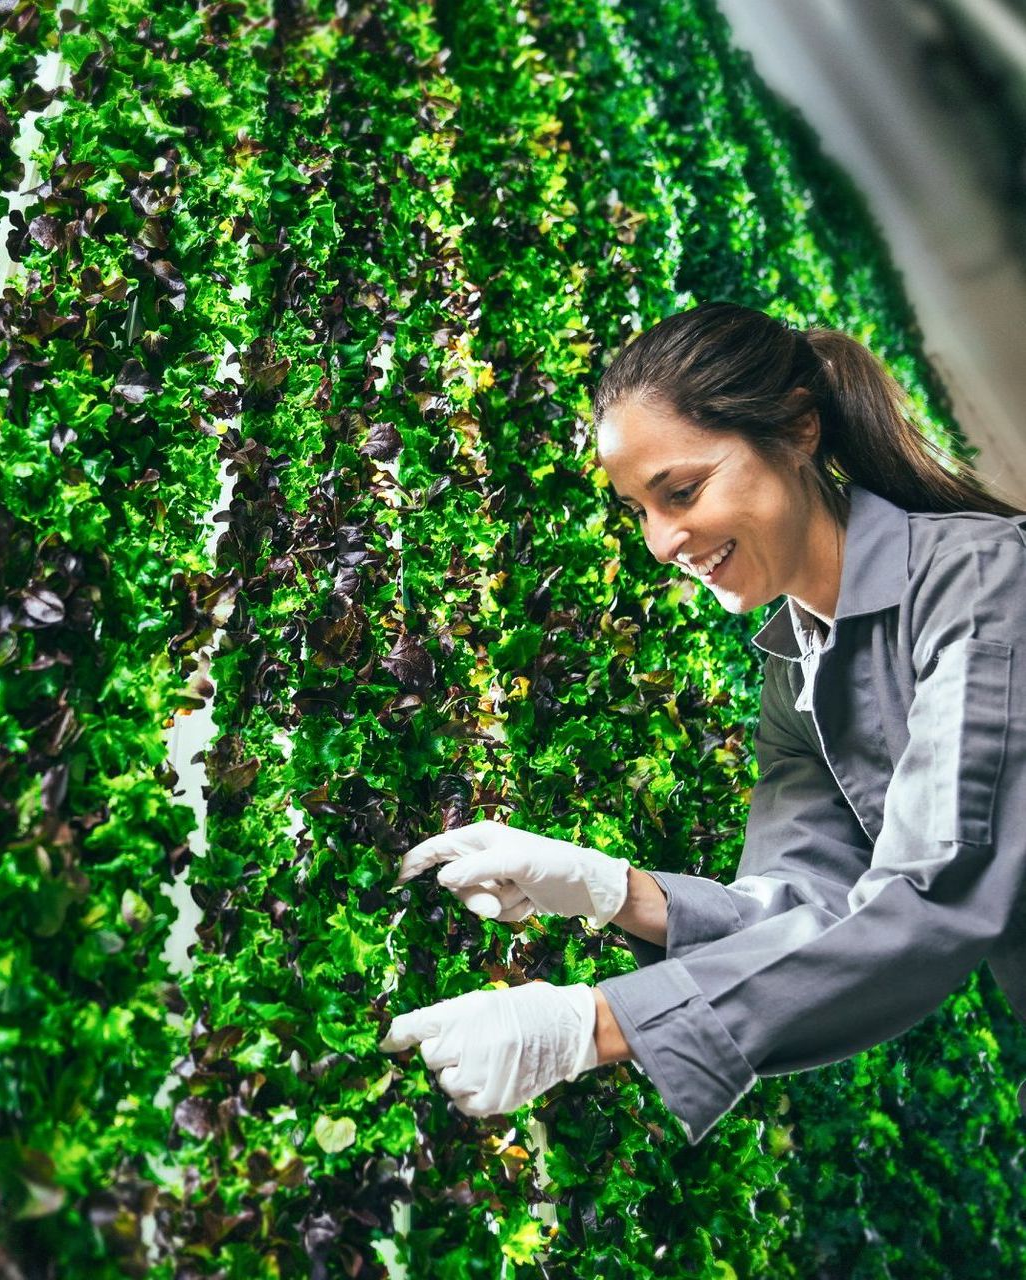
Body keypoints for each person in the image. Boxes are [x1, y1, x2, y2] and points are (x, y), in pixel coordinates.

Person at [381, 301, 1026, 1142]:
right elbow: (813, 913)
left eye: (680, 492)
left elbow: (932, 895)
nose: (658, 542)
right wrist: (611, 891)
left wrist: (591, 1024)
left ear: (798, 429)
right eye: (638, 510)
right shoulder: (794, 661)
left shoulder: (984, 585)